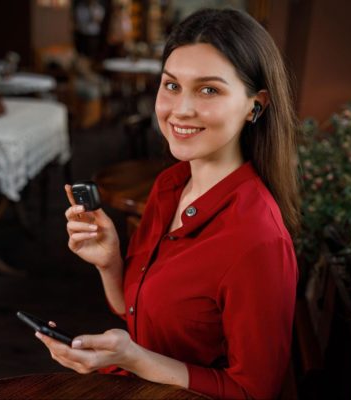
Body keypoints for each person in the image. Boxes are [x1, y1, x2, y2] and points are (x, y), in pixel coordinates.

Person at [35, 8, 300, 399]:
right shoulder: (170, 186)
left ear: (255, 106)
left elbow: (253, 391)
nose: (180, 109)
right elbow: (139, 314)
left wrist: (134, 359)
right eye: (171, 85)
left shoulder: (258, 240)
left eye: (209, 89)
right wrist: (111, 264)